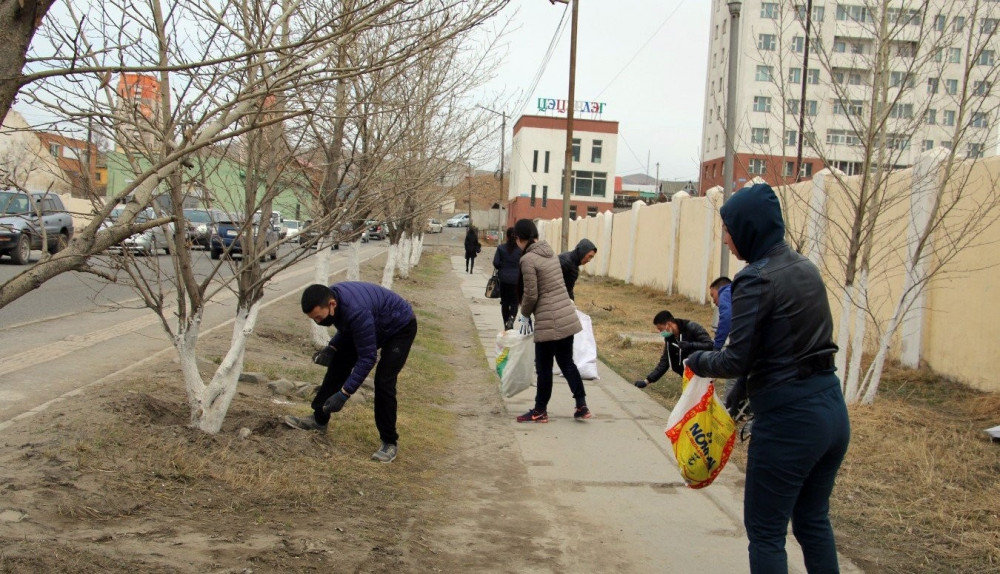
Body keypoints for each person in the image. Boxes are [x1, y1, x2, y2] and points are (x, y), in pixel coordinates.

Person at [685, 183, 850, 573]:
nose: (726, 239)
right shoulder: (804, 267)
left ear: (749, 227)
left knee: (766, 533)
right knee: (812, 521)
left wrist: (696, 359)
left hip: (790, 422)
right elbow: (773, 349)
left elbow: (736, 359)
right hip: (831, 412)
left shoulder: (755, 279)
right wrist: (730, 407)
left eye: (729, 229)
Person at [286, 282, 418, 463]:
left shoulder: (356, 310)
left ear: (331, 304)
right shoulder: (332, 298)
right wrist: (332, 347)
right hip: (375, 322)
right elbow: (347, 325)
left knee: (384, 381)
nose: (317, 321)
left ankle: (389, 442)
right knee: (338, 363)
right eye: (313, 318)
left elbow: (368, 358)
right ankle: (319, 419)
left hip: (400, 327)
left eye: (318, 317)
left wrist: (344, 393)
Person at [512, 218, 592, 422]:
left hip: (549, 320)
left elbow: (531, 294)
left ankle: (540, 411)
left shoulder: (528, 259)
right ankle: (582, 405)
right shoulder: (550, 253)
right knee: (567, 362)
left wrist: (524, 314)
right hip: (566, 315)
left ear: (520, 239)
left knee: (544, 367)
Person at [633, 311, 713, 388]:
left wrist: (690, 345)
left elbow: (709, 345)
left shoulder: (692, 327)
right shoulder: (669, 339)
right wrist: (647, 381)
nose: (660, 332)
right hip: (688, 377)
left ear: (668, 324)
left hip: (701, 373)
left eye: (661, 329)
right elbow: (665, 362)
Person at [492, 227, 522, 330]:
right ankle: (511, 319)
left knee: (505, 303)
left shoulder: (501, 248)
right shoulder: (520, 251)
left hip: (504, 280)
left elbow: (496, 263)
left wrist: (503, 267)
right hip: (516, 281)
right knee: (515, 302)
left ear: (507, 236)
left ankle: (506, 325)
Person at [709, 276, 732, 351]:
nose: (713, 301)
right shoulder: (735, 292)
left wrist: (716, 347)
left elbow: (726, 318)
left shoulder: (725, 293)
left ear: (719, 289)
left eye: (712, 295)